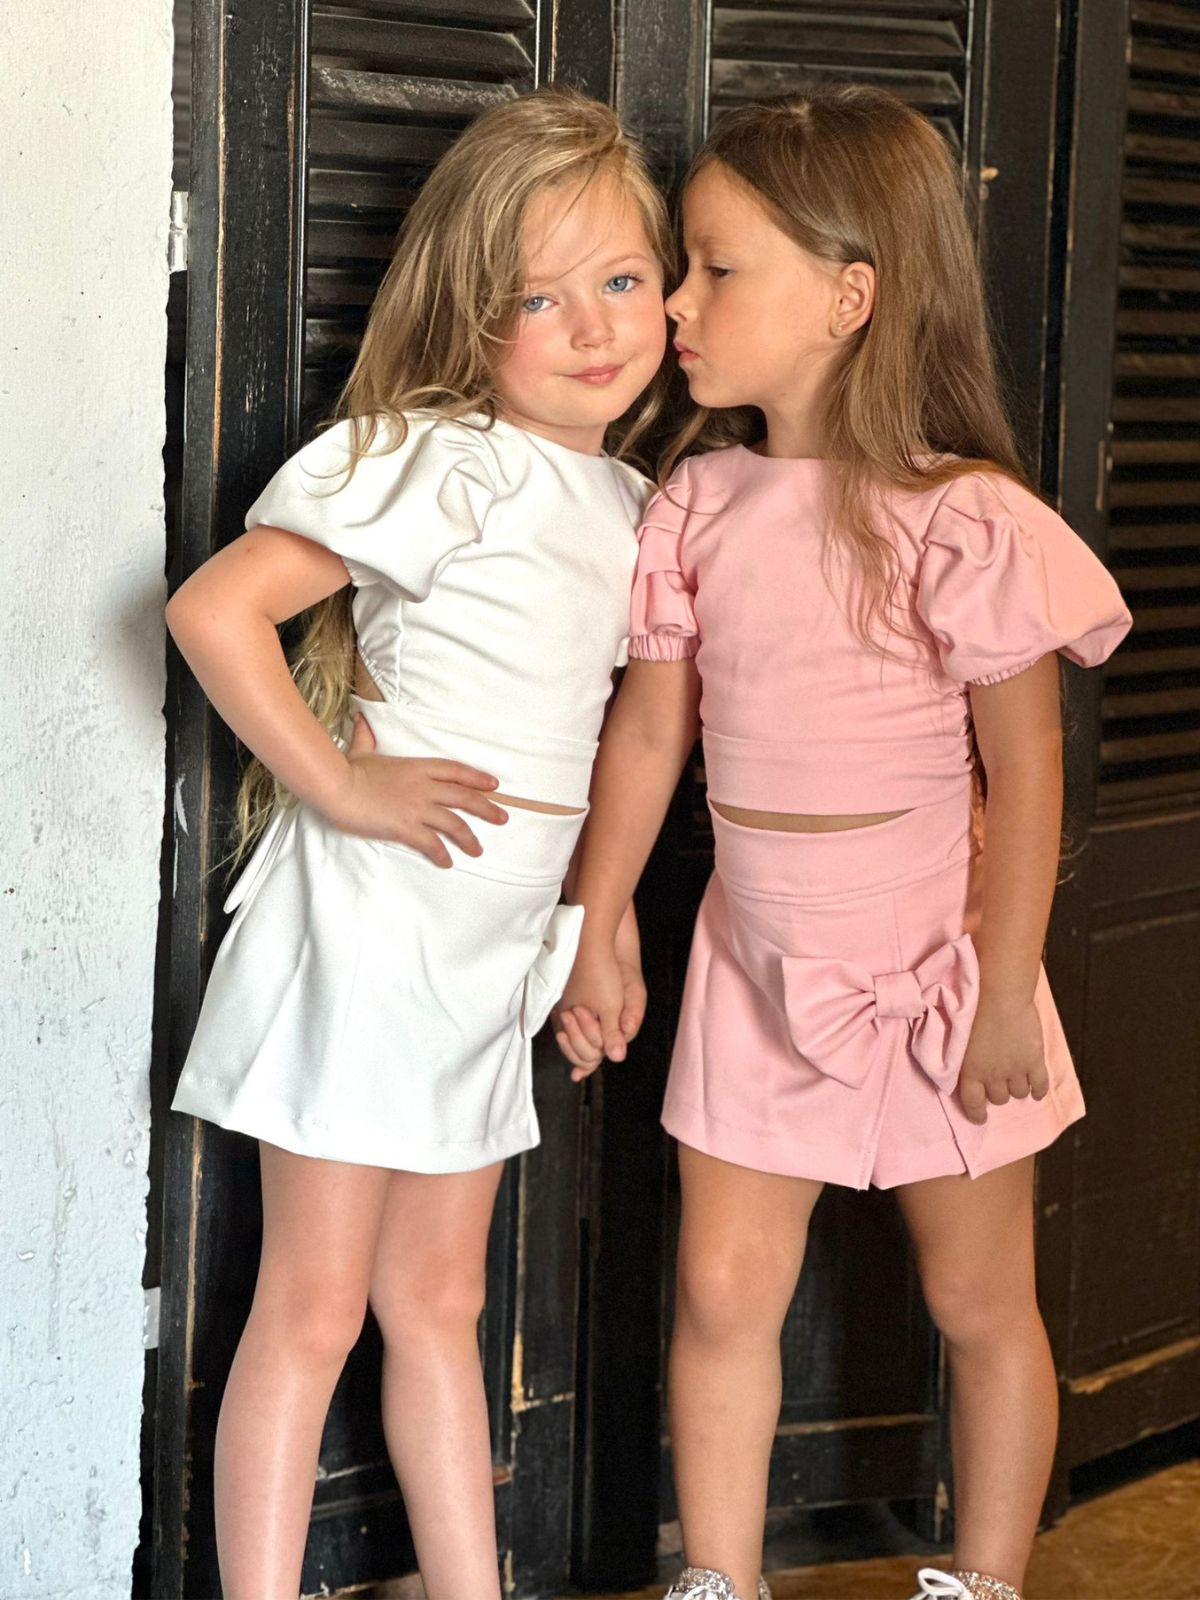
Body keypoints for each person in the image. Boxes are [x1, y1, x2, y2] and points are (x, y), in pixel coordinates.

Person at [554, 86, 1131, 1600]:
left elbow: (1028, 771)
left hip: (939, 967)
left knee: (979, 1299)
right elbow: (648, 737)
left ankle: (985, 1582)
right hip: (756, 966)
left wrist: (1003, 991)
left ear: (849, 296)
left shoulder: (962, 520)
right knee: (720, 1290)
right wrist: (598, 921)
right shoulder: (698, 504)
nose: (676, 304)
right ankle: (720, 1580)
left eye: (714, 268)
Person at [166, 87, 668, 1600]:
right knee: (313, 1306)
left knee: (441, 1301)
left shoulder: (635, 504)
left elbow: (614, 745)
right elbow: (214, 609)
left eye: (622, 278)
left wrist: (598, 928)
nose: (593, 326)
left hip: (490, 950)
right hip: (374, 931)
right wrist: (341, 786)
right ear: (470, 313)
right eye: (540, 297)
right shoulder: (437, 458)